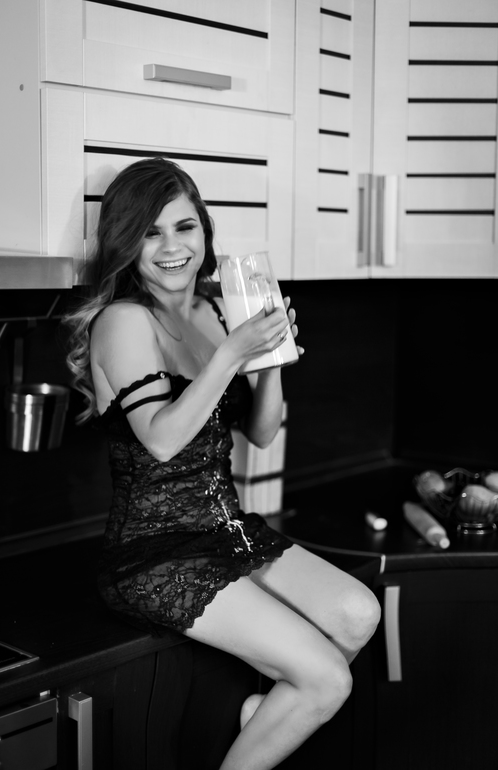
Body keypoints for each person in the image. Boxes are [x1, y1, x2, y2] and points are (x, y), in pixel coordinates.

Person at [65, 158, 380, 770]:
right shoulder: (123, 321)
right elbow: (161, 440)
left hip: (226, 531)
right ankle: (278, 715)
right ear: (126, 244)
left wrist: (271, 363)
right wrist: (233, 353)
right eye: (150, 233)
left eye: (184, 227)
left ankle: (264, 717)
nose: (172, 247)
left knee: (358, 613)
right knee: (326, 680)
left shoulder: (215, 309)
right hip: (153, 552)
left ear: (204, 231)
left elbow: (260, 433)